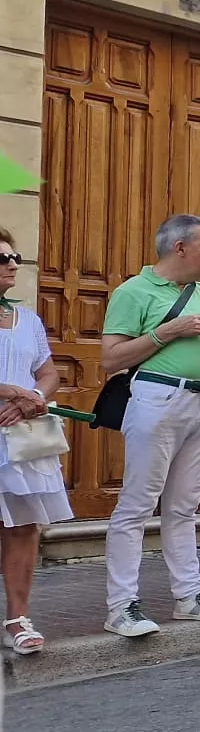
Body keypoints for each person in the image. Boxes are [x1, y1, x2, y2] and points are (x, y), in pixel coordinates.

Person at [100, 215, 200, 636]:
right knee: (137, 505)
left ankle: (189, 596)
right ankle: (121, 606)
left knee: (184, 506)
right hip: (159, 398)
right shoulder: (133, 291)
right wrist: (168, 332)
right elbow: (111, 359)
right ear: (179, 247)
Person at [0, 228, 72, 654]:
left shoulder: (29, 320)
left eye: (14, 256)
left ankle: (17, 618)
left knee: (24, 527)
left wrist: (35, 398)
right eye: (2, 258)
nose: (12, 264)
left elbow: (49, 373)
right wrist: (11, 392)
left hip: (21, 436)